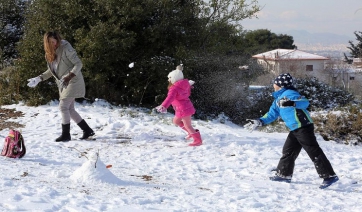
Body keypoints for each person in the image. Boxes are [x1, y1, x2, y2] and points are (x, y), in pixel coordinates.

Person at [244, 73, 338, 189]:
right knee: (288, 151)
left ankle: (329, 176)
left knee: (313, 150)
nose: (273, 84)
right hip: (295, 128)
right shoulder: (278, 99)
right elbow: (272, 114)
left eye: (275, 82)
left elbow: (305, 102)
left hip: (303, 126)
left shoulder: (290, 94)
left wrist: (292, 103)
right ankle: (284, 175)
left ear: (281, 85)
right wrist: (260, 121)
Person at [27, 31, 95, 142]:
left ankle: (66, 135)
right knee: (70, 109)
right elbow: (51, 71)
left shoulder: (66, 47)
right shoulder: (49, 54)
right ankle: (87, 130)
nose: (54, 44)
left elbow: (79, 64)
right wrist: (38, 79)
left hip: (73, 80)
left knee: (63, 107)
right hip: (64, 83)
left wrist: (68, 77)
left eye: (55, 41)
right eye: (51, 43)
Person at [156, 65, 202, 146]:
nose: (168, 79)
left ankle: (197, 140)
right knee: (176, 121)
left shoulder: (174, 88)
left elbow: (169, 98)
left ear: (174, 79)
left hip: (184, 109)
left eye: (170, 78)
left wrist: (163, 106)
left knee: (188, 125)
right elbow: (186, 93)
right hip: (181, 108)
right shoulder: (184, 85)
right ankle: (191, 133)